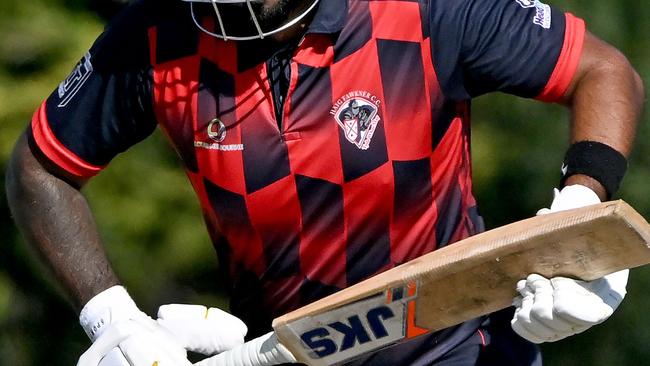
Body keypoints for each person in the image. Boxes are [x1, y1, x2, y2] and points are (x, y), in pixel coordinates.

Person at [5, 0, 644, 365]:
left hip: (457, 347)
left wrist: (578, 216)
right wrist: (111, 317)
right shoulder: (154, 32)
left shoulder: (425, 8)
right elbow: (40, 166)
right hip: (283, 352)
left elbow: (603, 71)